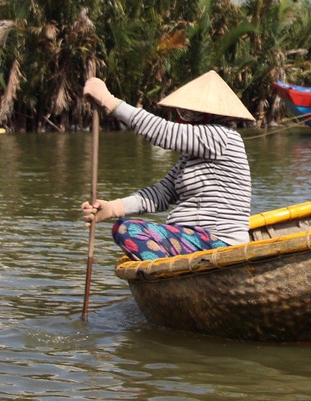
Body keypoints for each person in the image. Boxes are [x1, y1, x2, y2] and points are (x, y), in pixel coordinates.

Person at [81, 71, 254, 261]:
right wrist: (113, 208)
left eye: (188, 113)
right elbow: (161, 194)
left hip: (217, 241)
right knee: (125, 227)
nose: (184, 118)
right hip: (190, 239)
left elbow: (162, 132)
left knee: (127, 229)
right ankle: (170, 275)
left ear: (205, 115)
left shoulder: (222, 137)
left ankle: (168, 275)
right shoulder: (190, 157)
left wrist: (108, 100)